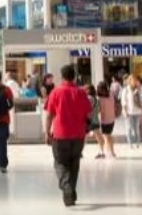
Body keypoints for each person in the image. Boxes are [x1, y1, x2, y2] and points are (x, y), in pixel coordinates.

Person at [45, 65, 92, 207]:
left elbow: (49, 115)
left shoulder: (55, 92)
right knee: (74, 163)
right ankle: (70, 193)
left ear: (62, 76)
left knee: (60, 162)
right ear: (74, 76)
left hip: (60, 134)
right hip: (78, 134)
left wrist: (47, 132)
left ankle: (66, 187)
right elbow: (88, 113)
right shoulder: (81, 93)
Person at [94, 81, 117, 159]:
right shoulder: (111, 94)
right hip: (111, 118)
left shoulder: (99, 98)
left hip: (105, 120)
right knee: (108, 136)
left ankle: (108, 153)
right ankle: (112, 152)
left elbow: (99, 109)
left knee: (106, 136)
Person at [122, 76, 142, 148]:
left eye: (135, 80)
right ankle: (130, 144)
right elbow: (123, 101)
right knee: (129, 128)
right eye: (133, 80)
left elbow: (141, 101)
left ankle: (138, 143)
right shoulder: (126, 90)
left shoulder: (139, 89)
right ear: (129, 81)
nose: (134, 82)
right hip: (129, 111)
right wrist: (124, 111)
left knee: (136, 128)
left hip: (137, 111)